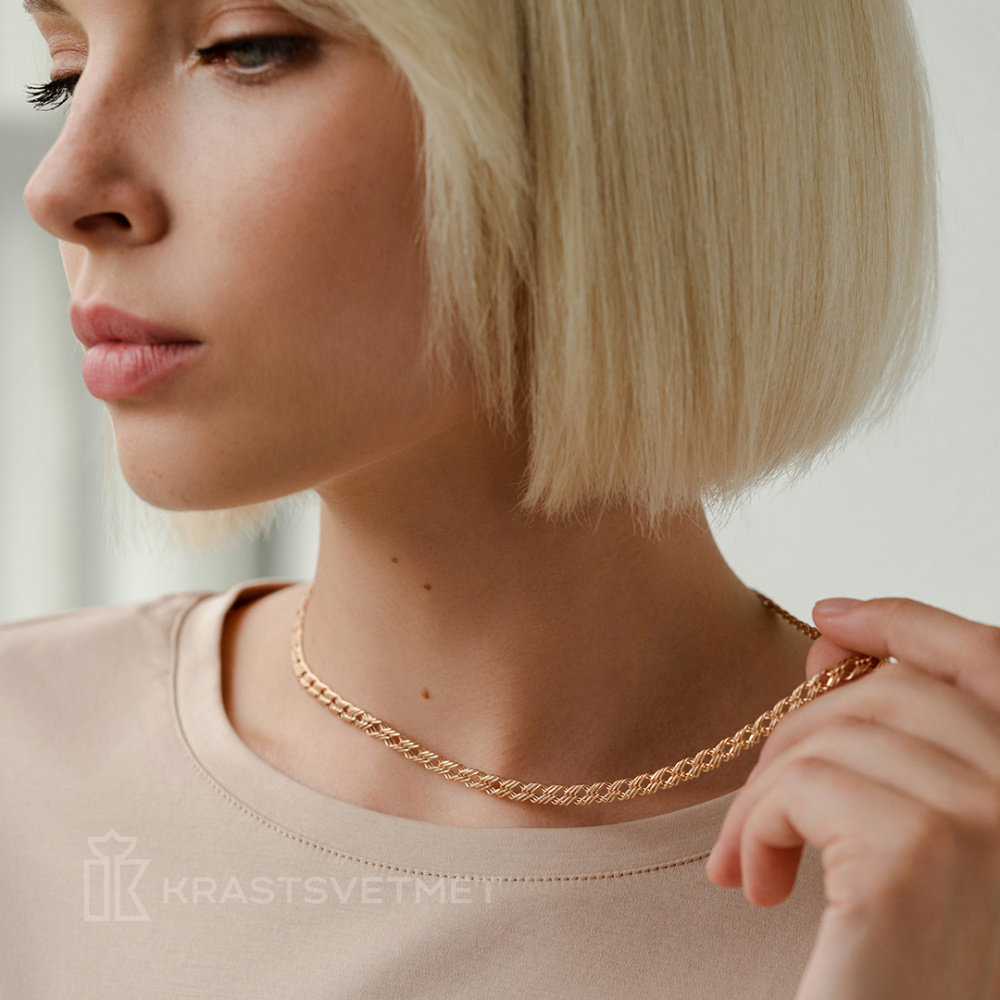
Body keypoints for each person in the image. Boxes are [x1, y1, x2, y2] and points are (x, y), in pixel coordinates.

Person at [2, 0, 997, 997]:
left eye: (246, 49)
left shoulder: (954, 862)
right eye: (65, 73)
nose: (59, 187)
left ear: (615, 108)